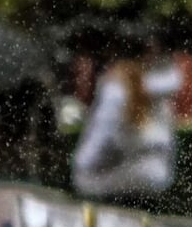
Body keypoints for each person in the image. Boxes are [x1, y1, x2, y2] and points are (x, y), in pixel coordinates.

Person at [72, 26, 183, 206]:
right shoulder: (161, 89)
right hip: (156, 180)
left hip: (118, 184)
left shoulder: (117, 90)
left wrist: (80, 169)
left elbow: (100, 138)